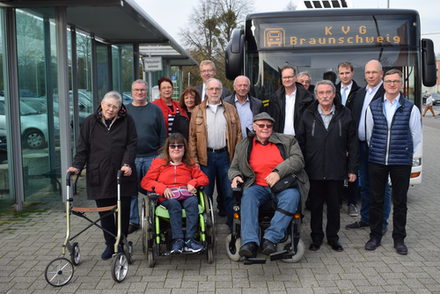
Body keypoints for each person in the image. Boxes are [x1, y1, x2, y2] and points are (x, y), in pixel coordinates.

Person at [67, 91, 137, 260]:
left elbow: (132, 143)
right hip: (99, 174)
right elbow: (82, 147)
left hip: (122, 174)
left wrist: (127, 163)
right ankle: (109, 244)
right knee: (105, 212)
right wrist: (76, 166)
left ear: (120, 108)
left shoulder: (127, 121)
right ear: (101, 104)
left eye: (114, 106)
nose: (110, 109)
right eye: (108, 105)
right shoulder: (91, 122)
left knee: (123, 212)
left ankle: (121, 243)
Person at [228, 112, 309, 257]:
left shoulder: (287, 141)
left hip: (282, 186)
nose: (265, 128)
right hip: (257, 185)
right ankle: (250, 242)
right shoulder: (243, 145)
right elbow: (234, 168)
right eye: (261, 125)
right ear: (254, 126)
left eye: (269, 126)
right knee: (248, 196)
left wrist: (278, 172)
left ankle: (270, 239)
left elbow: (298, 160)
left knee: (292, 196)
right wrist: (235, 176)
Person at [364, 69, 422, 255]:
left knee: (400, 202)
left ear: (400, 84)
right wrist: (379, 151)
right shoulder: (373, 107)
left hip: (401, 162)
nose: (391, 84)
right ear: (383, 83)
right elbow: (369, 135)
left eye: (395, 81)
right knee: (376, 201)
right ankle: (375, 236)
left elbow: (416, 136)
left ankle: (399, 239)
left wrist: (405, 154)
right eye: (388, 81)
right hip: (377, 161)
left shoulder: (411, 108)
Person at [297, 80, 358, 252]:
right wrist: (300, 167)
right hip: (313, 169)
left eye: (328, 92)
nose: (325, 96)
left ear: (334, 94)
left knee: (334, 207)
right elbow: (300, 142)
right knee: (315, 206)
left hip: (336, 169)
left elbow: (352, 143)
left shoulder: (345, 114)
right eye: (321, 92)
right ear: (316, 95)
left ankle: (333, 238)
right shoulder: (307, 114)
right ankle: (316, 238)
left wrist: (352, 169)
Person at [141, 133, 209, 254]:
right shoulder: (159, 163)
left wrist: (193, 182)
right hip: (167, 198)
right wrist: (162, 188)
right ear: (168, 148)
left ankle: (190, 240)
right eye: (172, 146)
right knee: (174, 205)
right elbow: (145, 182)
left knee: (193, 202)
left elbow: (205, 179)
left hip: (186, 195)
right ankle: (177, 240)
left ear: (184, 148)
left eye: (179, 146)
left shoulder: (190, 163)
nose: (176, 149)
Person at [345, 59, 392, 233]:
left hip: (379, 147)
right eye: (368, 72)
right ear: (364, 75)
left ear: (381, 74)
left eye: (374, 72)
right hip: (360, 147)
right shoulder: (359, 94)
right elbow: (353, 121)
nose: (371, 75)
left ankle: (382, 222)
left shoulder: (387, 93)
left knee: (381, 186)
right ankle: (366, 218)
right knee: (364, 184)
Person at [189, 78, 242, 228]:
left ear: (221, 91)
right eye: (211, 89)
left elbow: (238, 135)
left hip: (226, 157)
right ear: (206, 91)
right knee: (205, 193)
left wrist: (236, 160)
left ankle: (233, 226)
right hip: (205, 158)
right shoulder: (197, 111)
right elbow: (192, 138)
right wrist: (195, 162)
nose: (214, 92)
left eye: (217, 89)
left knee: (229, 193)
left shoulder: (230, 109)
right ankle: (205, 226)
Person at [125, 79, 166, 234]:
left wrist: (161, 155)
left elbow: (162, 134)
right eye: (136, 90)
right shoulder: (126, 110)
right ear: (132, 92)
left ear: (146, 92)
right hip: (132, 158)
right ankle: (133, 221)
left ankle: (155, 218)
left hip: (152, 157)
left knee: (153, 191)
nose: (139, 93)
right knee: (131, 191)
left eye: (142, 90)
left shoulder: (155, 110)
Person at [335, 62, 361, 217]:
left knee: (352, 172)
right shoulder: (334, 91)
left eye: (347, 73)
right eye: (341, 73)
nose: (344, 76)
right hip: (337, 136)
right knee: (337, 172)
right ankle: (337, 201)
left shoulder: (359, 92)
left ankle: (352, 203)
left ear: (352, 73)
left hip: (353, 136)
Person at [266, 65, 314, 136]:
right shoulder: (274, 98)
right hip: (280, 139)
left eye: (290, 77)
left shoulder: (308, 98)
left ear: (295, 78)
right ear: (281, 79)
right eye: (285, 77)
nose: (287, 79)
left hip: (301, 140)